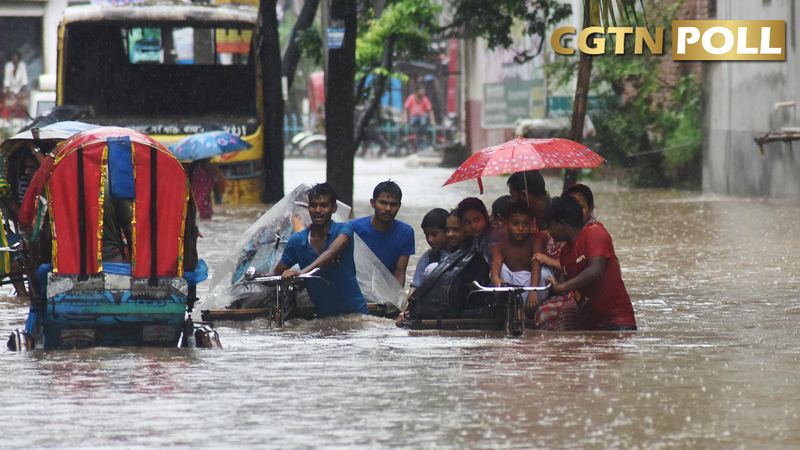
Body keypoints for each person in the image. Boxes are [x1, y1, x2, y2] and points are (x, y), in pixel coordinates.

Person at [271, 183, 369, 318]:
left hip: (356, 314)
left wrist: (301, 273)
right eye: (313, 205)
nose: (317, 210)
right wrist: (255, 275)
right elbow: (275, 276)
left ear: (333, 208)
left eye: (323, 205)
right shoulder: (297, 241)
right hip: (324, 318)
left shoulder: (344, 229)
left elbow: (332, 252)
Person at [543, 196, 637, 331]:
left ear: (562, 225)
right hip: (589, 325)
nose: (549, 232)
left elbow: (595, 270)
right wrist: (553, 283)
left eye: (550, 226)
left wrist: (561, 287)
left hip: (617, 322)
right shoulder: (564, 253)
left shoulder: (595, 234)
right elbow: (564, 282)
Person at [351, 181, 414, 287]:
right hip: (357, 289)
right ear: (373, 203)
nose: (388, 209)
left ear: (399, 205)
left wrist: (396, 301)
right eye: (383, 203)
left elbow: (400, 272)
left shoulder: (406, 232)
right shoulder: (353, 228)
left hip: (386, 290)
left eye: (393, 204)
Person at [491, 202, 537, 288]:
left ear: (530, 225)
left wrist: (533, 290)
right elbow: (496, 261)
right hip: (510, 285)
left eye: (525, 224)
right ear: (505, 225)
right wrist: (495, 278)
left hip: (533, 284)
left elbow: (536, 264)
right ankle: (508, 300)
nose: (521, 229)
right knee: (500, 269)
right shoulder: (498, 247)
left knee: (545, 271)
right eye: (515, 224)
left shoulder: (535, 242)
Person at [456, 197, 506, 263]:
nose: (473, 226)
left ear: (486, 216)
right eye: (467, 223)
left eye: (477, 220)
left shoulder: (497, 236)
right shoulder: (477, 241)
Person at [403, 86, 436, 150]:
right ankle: (411, 139)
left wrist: (432, 120)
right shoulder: (411, 98)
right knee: (411, 124)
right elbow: (406, 108)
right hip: (413, 116)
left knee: (423, 122)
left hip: (422, 116)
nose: (423, 93)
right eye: (421, 91)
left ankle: (420, 139)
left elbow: (430, 110)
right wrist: (405, 118)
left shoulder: (425, 99)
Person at [2, 51, 28, 118]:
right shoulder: (9, 65)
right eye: (13, 59)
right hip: (11, 91)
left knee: (24, 102)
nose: (15, 60)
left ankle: (23, 117)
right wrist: (10, 93)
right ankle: (6, 118)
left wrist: (20, 93)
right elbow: (7, 81)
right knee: (7, 101)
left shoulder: (22, 65)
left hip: (20, 91)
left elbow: (24, 81)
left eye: (16, 59)